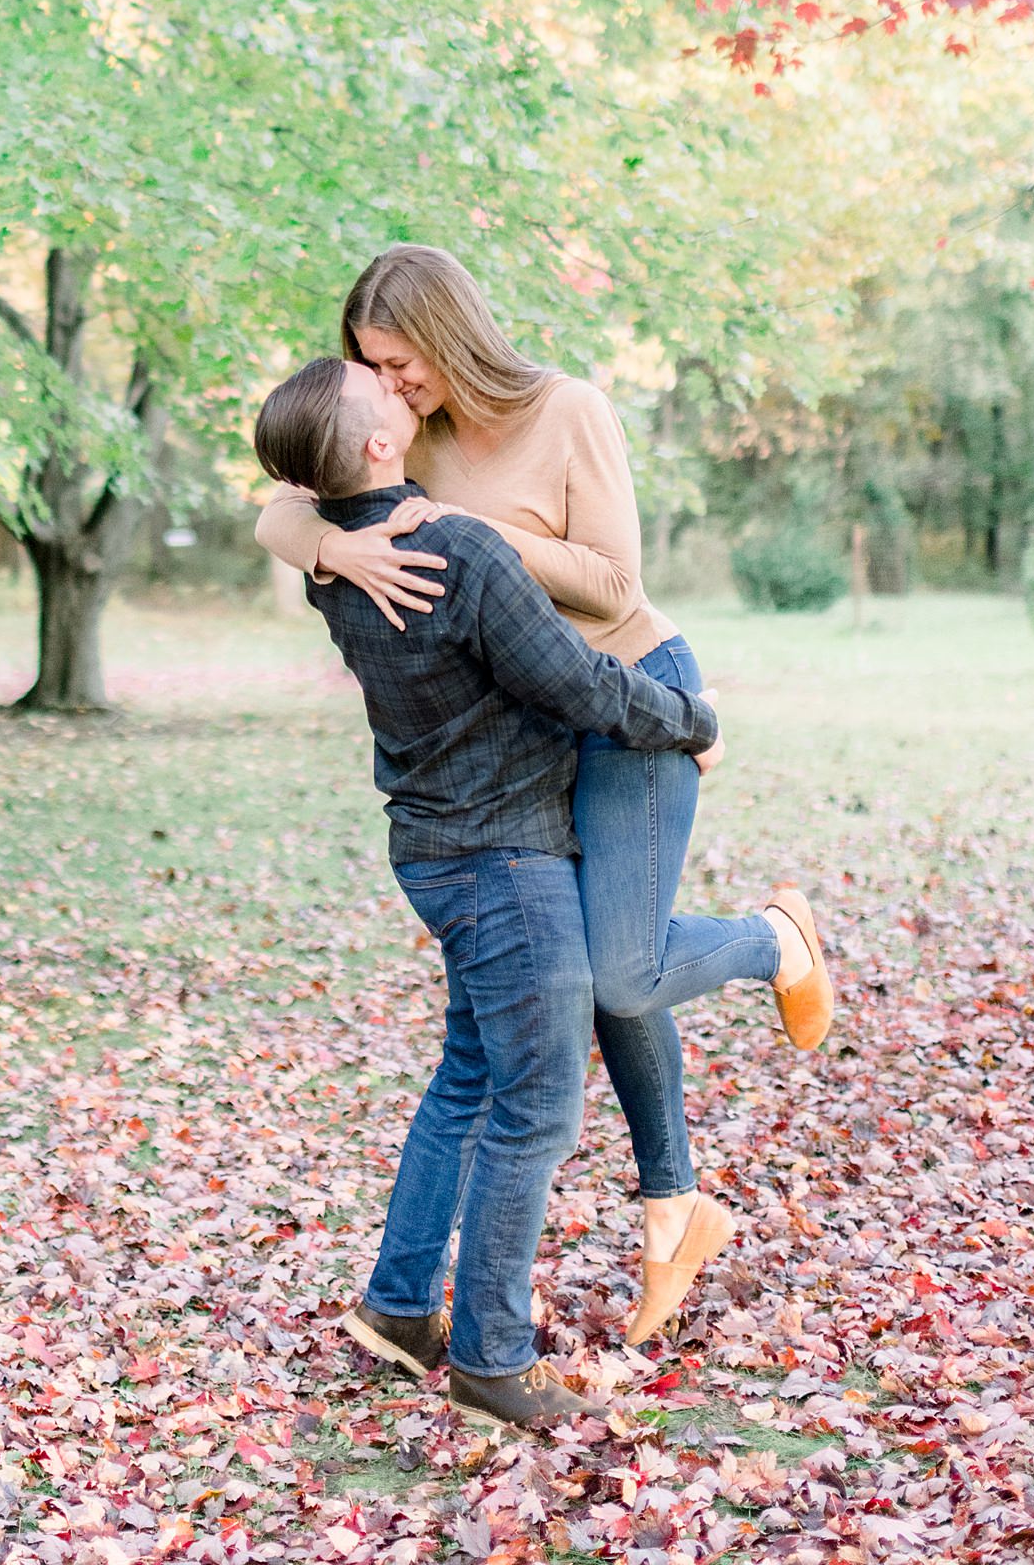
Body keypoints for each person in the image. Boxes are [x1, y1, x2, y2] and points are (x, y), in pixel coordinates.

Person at [257, 245, 832, 1340]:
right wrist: (340, 545)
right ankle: (672, 1207)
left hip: (625, 688)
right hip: (528, 723)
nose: (389, 380)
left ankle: (774, 939)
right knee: (588, 974)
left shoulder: (566, 412)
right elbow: (277, 510)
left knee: (621, 970)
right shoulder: (397, 429)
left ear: (447, 334)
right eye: (371, 366)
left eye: (397, 358)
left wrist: (475, 538)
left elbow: (616, 583)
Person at [253, 355, 725, 1430]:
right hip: (506, 862)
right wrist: (689, 719)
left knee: (472, 1072)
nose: (390, 384)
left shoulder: (341, 562)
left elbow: (293, 515)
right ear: (379, 445)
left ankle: (400, 1308)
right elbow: (573, 681)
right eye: (373, 386)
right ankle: (491, 1360)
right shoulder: (453, 548)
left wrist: (318, 534)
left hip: (433, 850)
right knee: (535, 1108)